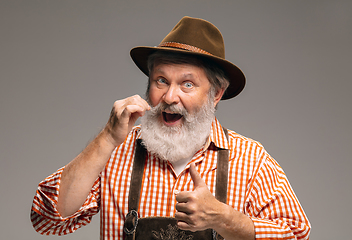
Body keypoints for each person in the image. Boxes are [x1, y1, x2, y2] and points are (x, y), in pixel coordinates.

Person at [31, 16, 311, 240]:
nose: (169, 97)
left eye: (187, 84)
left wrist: (222, 218)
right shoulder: (116, 152)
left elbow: (296, 236)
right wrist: (107, 138)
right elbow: (47, 218)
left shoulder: (250, 160)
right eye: (161, 80)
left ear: (216, 93)